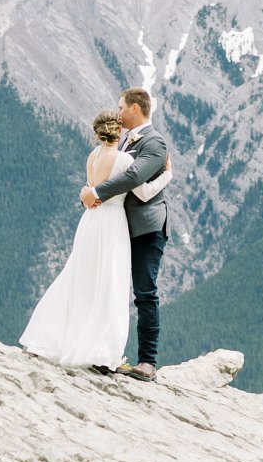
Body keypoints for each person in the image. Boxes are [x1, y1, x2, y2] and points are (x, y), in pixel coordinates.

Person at [20, 109, 135, 369]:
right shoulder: (124, 160)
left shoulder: (92, 156)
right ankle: (101, 350)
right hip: (112, 222)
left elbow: (90, 190)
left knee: (80, 279)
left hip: (90, 222)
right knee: (109, 282)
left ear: (97, 132)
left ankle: (59, 338)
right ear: (119, 131)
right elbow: (140, 190)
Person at [79, 87, 169, 382]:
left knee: (144, 291)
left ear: (134, 108)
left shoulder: (155, 142)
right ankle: (102, 349)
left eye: (121, 107)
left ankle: (147, 362)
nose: (117, 112)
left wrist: (95, 193)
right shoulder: (126, 142)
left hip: (145, 226)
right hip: (118, 225)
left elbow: (133, 178)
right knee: (108, 286)